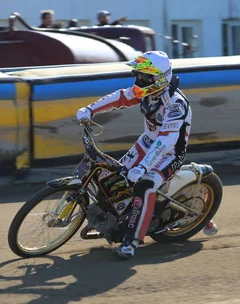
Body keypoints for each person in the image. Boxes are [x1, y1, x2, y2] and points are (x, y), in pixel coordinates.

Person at [76, 51, 219, 260]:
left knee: (144, 185)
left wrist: (142, 168)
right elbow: (122, 97)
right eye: (138, 75)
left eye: (143, 77)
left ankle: (131, 242)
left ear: (158, 79)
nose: (138, 80)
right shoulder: (147, 91)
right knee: (116, 177)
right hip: (146, 143)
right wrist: (90, 109)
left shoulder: (175, 104)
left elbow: (166, 141)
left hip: (170, 153)